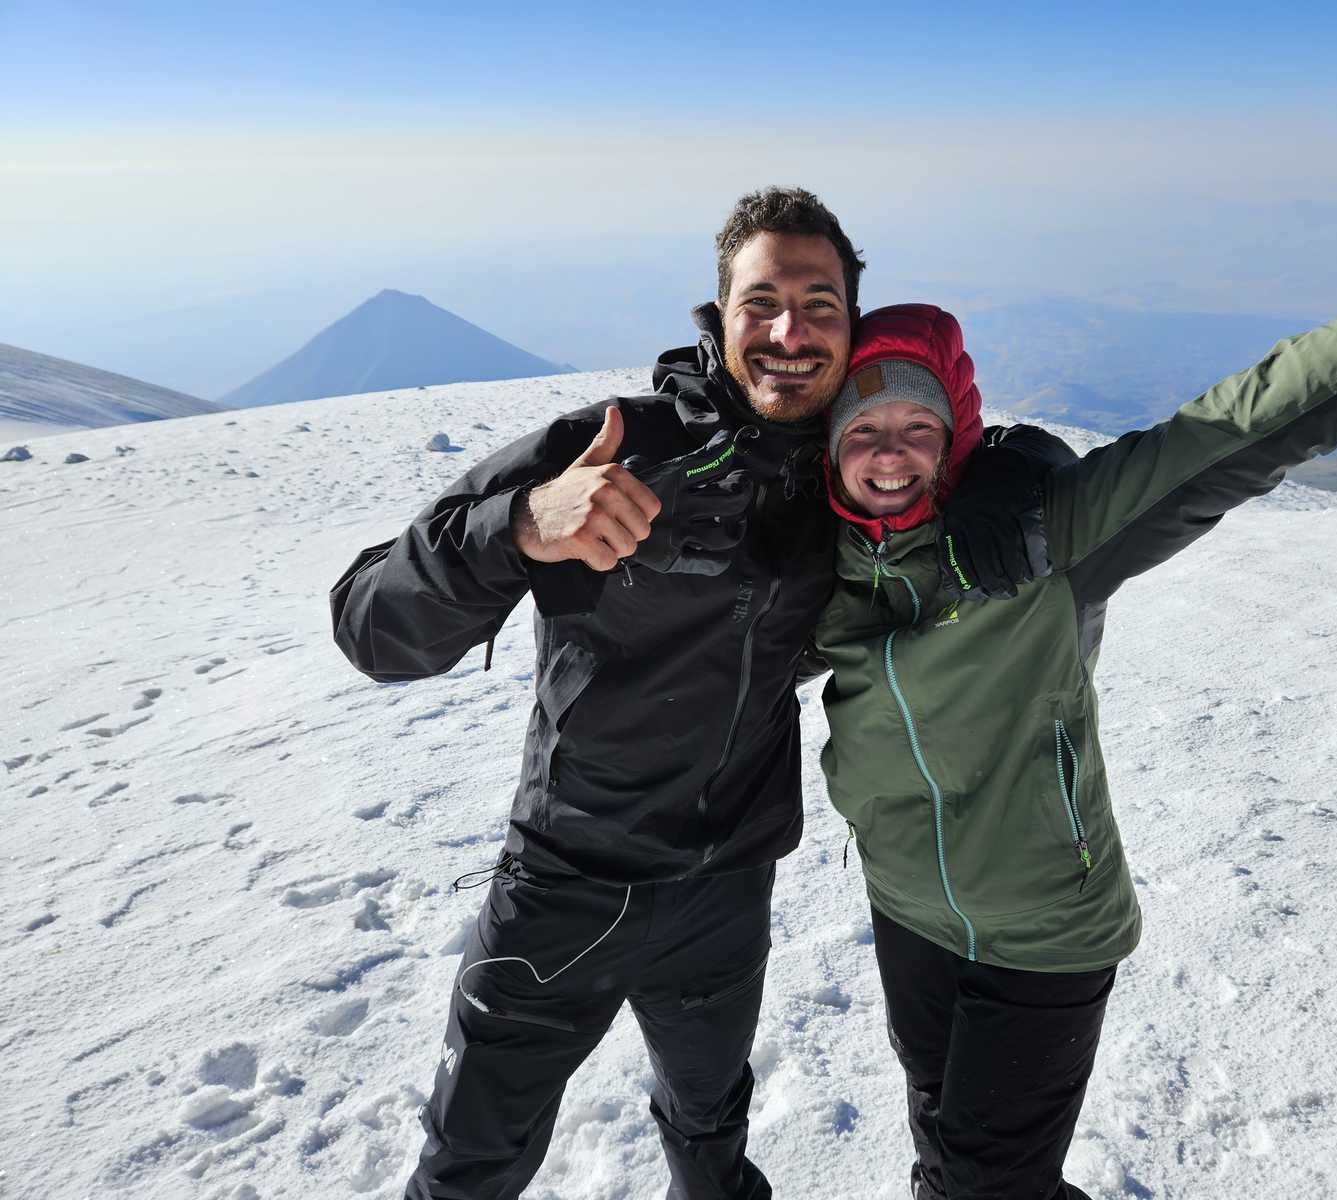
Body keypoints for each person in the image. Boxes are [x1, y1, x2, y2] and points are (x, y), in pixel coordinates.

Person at [809, 165, 1337, 1200]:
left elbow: (1250, 420)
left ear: (954, 434)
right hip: (906, 914)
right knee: (950, 1152)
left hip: (1041, 930)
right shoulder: (817, 568)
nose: (890, 455)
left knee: (978, 1185)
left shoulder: (1044, 541)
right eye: (862, 431)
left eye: (917, 427)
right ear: (827, 450)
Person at [328, 187, 1054, 1200]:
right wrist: (519, 526)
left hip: (725, 887)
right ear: (720, 317)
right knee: (467, 1169)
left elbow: (962, 453)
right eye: (762, 302)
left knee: (709, 1138)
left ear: (851, 328)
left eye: (819, 304)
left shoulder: (848, 476)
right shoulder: (616, 446)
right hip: (565, 882)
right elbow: (369, 625)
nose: (790, 331)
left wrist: (1016, 471)